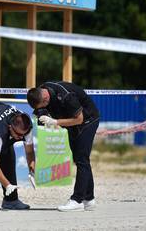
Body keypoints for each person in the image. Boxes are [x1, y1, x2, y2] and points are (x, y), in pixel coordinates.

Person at [27, 81, 100, 212]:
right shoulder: (41, 92)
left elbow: (79, 119)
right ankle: (89, 199)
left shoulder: (66, 96)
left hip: (87, 121)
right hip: (71, 122)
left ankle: (77, 200)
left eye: (42, 105)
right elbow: (41, 114)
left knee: (82, 159)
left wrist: (55, 121)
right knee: (79, 160)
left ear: (45, 98)